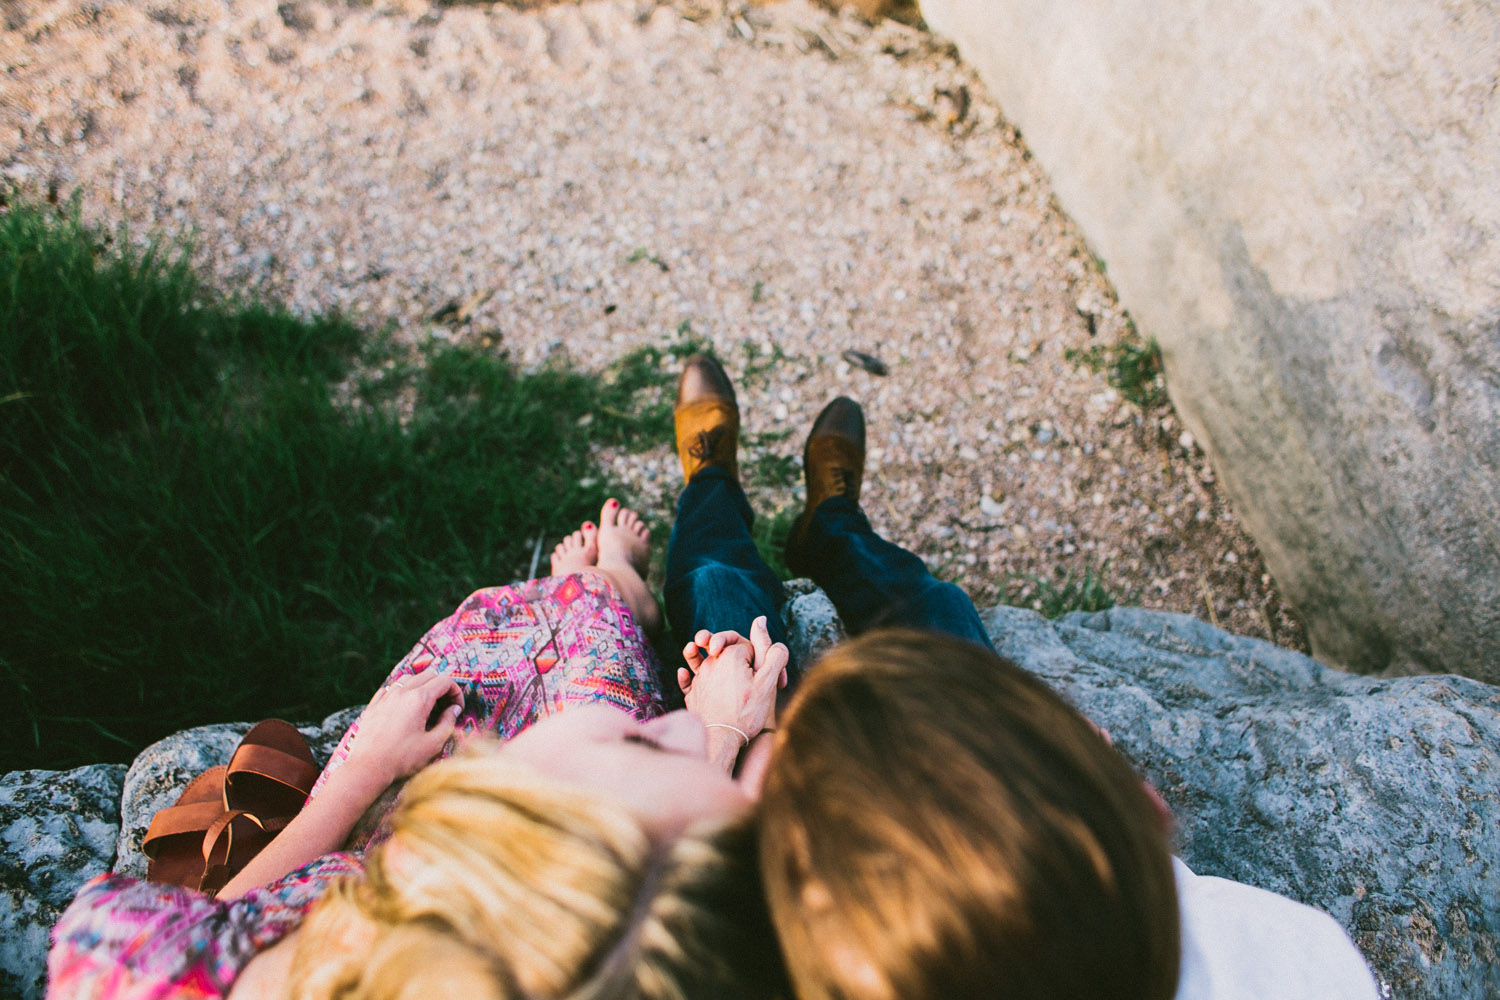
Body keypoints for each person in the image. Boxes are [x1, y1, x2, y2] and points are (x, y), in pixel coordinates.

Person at [661, 354, 1381, 1000]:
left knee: (722, 605)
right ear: (1149, 813)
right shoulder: (1305, 962)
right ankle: (835, 526)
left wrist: (723, 738)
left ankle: (713, 485)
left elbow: (655, 917)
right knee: (938, 610)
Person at [47, 501, 789, 1000]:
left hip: (365, 843)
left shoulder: (126, 966)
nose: (682, 725)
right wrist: (724, 735)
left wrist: (361, 767)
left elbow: (220, 929)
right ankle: (613, 587)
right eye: (654, 741)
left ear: (474, 828)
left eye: (647, 741)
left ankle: (598, 588)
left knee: (480, 654)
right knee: (597, 663)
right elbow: (648, 910)